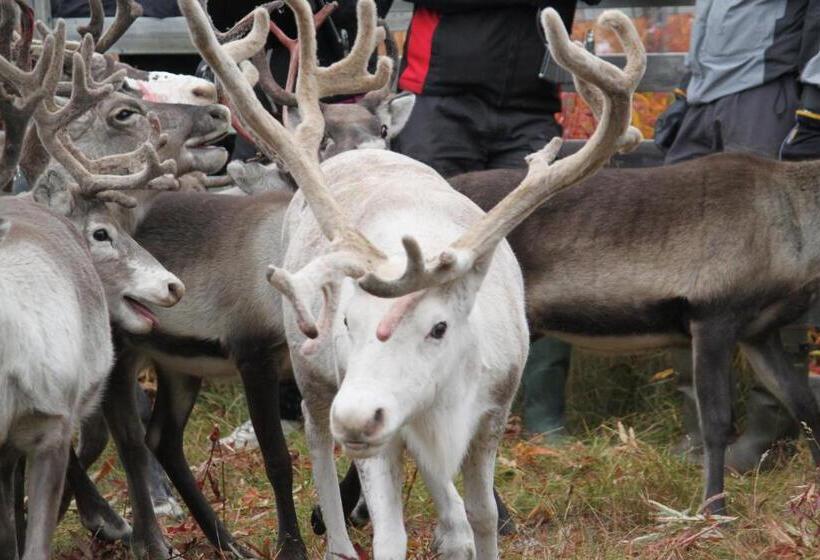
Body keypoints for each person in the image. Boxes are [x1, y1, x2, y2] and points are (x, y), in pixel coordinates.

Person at [393, 0, 601, 439]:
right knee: (425, 242)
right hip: (439, 99)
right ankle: (412, 402)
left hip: (530, 106)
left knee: (542, 246)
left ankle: (542, 418)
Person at [656, 0, 820, 472]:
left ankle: (770, 436)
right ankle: (703, 430)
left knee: (773, 268)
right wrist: (685, 91)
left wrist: (813, 101)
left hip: (764, 93)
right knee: (678, 262)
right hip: (703, 102)